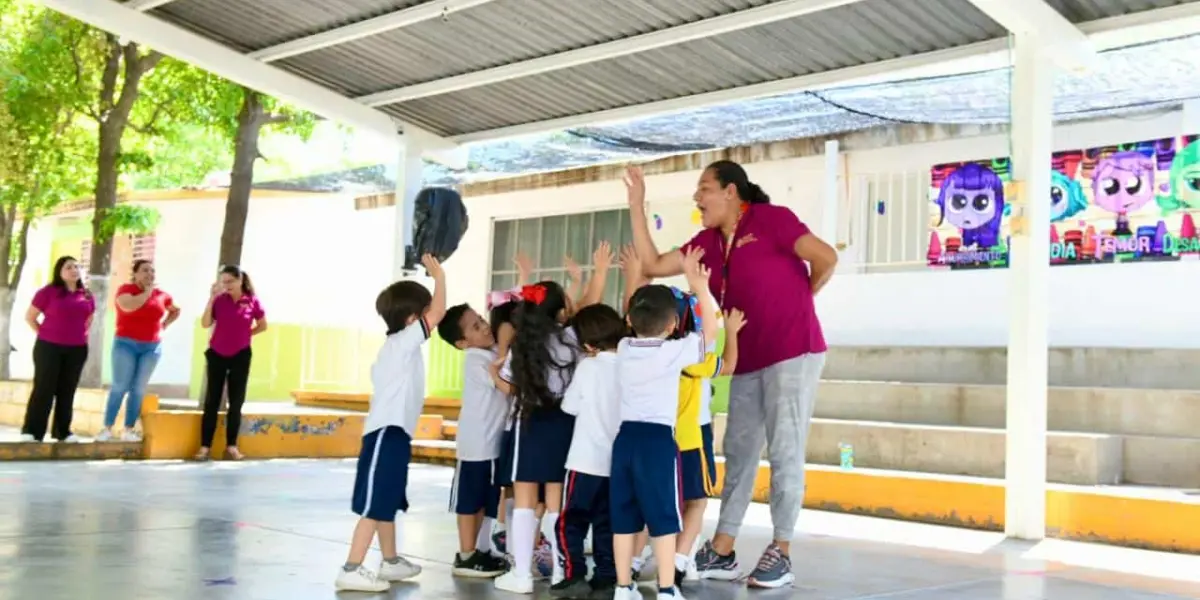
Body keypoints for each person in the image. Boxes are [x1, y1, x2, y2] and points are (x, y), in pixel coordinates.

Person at [626, 161, 837, 588]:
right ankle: (722, 549)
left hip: (794, 351)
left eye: (704, 188)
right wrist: (637, 203)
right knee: (739, 453)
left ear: (732, 192)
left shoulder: (772, 220)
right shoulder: (705, 242)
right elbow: (649, 264)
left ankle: (782, 549)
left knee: (784, 452)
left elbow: (826, 258)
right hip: (747, 359)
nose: (697, 198)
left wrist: (802, 297)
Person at [490, 243, 612, 595]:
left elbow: (509, 388)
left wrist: (492, 376)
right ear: (561, 313)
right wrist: (598, 272)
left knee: (525, 502)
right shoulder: (572, 339)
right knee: (559, 503)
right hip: (565, 427)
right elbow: (588, 308)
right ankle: (563, 571)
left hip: (529, 425)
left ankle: (522, 574)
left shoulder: (522, 346)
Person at [610, 248, 717, 600]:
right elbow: (709, 337)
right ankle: (668, 589)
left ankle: (623, 588)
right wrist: (699, 287)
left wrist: (634, 282)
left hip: (624, 441)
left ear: (630, 320)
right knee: (663, 517)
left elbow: (634, 311)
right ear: (673, 325)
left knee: (625, 517)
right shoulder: (673, 351)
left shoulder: (624, 347)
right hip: (657, 442)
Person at [335, 254, 446, 592]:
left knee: (387, 500)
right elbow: (439, 314)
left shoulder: (402, 348)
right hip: (386, 435)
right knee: (375, 504)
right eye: (424, 312)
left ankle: (390, 561)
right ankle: (351, 568)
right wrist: (439, 276)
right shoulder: (403, 343)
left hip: (395, 435)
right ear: (413, 318)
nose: (430, 317)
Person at [550, 303, 626, 600]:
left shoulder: (587, 366)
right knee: (607, 522)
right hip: (616, 464)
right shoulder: (629, 365)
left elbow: (569, 407)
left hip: (584, 462)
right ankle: (606, 578)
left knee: (571, 521)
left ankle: (574, 574)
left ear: (587, 344)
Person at [437, 302, 511, 578]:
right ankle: (466, 555)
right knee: (469, 502)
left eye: (481, 319)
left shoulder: (488, 352)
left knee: (485, 500)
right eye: (476, 326)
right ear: (461, 343)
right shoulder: (476, 360)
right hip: (476, 446)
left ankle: (480, 552)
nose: (485, 326)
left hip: (490, 444)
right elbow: (504, 377)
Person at [98, 259, 180, 442]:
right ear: (135, 274)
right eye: (144, 271)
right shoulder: (125, 290)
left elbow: (175, 310)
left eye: (152, 271)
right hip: (125, 344)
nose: (149, 274)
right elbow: (130, 306)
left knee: (138, 389)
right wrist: (147, 293)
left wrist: (164, 325)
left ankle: (128, 429)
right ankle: (107, 428)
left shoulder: (162, 295)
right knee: (120, 386)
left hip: (151, 347)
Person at [195, 265, 267, 461]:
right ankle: (204, 447)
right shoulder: (219, 300)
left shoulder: (252, 301)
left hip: (241, 355)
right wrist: (210, 299)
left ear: (240, 280)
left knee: (236, 402)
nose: (226, 286)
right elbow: (205, 323)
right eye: (223, 282)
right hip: (217, 354)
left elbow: (263, 325)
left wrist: (246, 335)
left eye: (230, 282)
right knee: (212, 401)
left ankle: (232, 446)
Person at [20, 256, 95, 443]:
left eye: (76, 266)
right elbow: (30, 317)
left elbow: (89, 319)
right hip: (48, 348)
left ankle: (63, 432)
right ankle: (32, 431)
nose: (73, 270)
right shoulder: (48, 292)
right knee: (44, 389)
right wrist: (45, 335)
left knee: (67, 390)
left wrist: (80, 337)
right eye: (68, 267)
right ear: (59, 272)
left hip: (77, 350)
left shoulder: (86, 295)